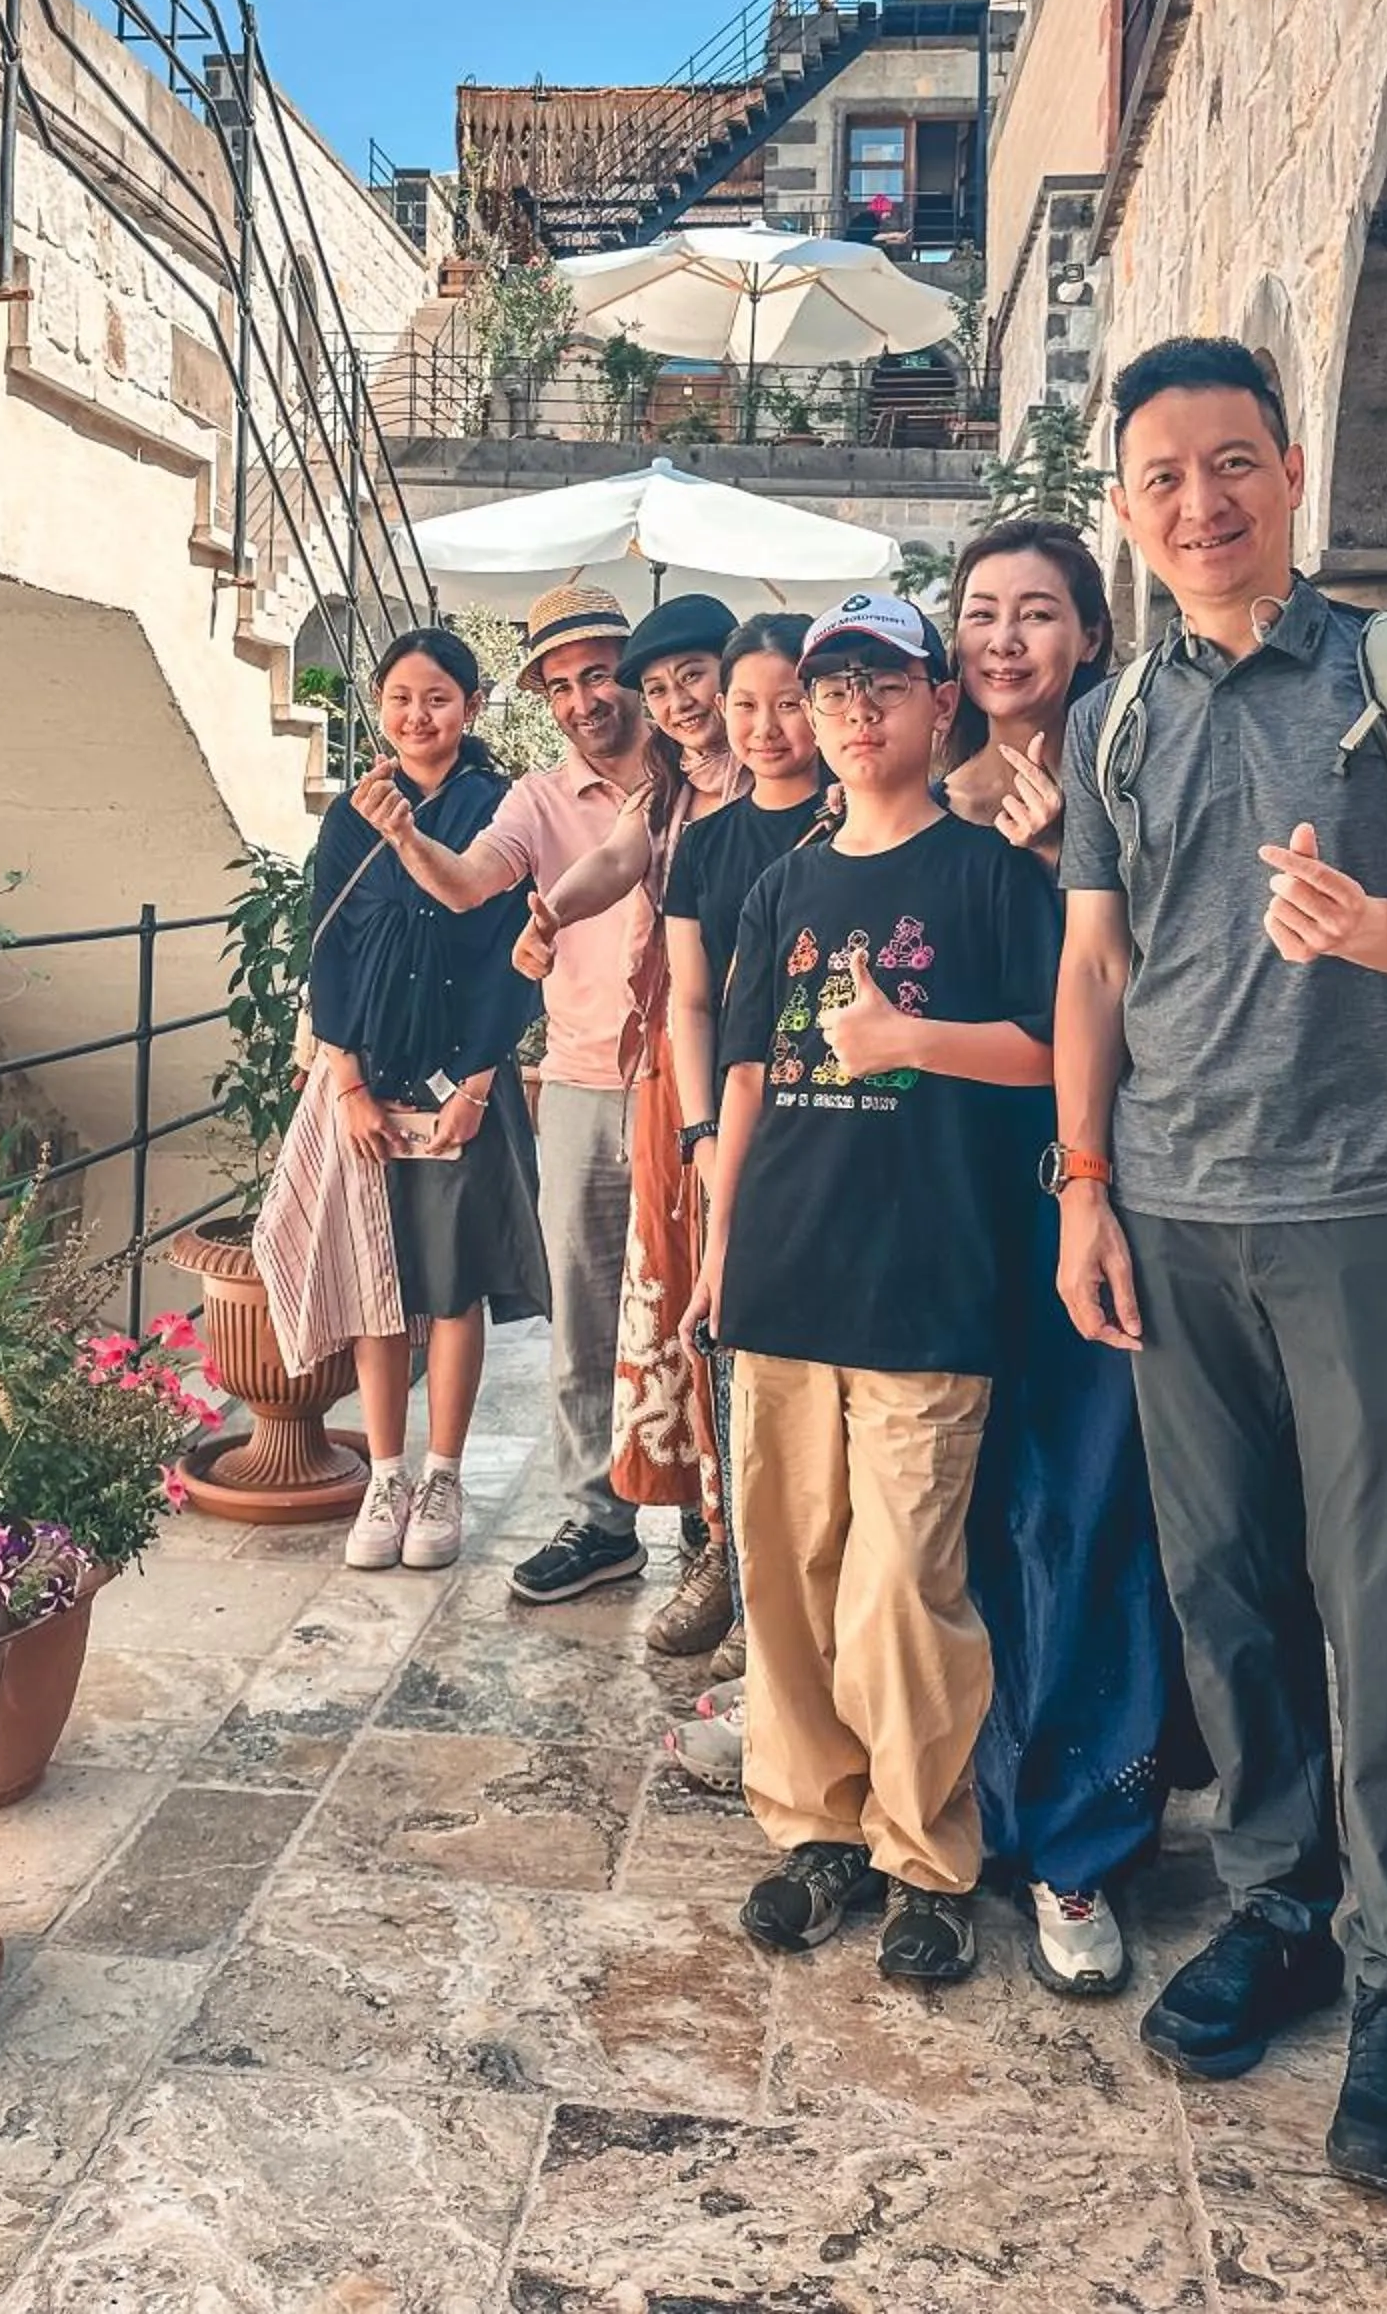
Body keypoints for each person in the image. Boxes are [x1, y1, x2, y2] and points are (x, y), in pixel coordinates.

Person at [1054, 335, 1387, 2196]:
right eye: (1163, 478)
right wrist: (1084, 1186)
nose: (1200, 504)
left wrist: (1370, 921)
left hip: (1365, 1206)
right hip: (1169, 1209)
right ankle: (1278, 1903)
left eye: (1231, 464)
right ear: (1128, 507)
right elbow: (1096, 968)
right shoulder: (1117, 719)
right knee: (1225, 1588)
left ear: (1293, 469)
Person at [683, 590, 1059, 1985]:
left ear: (934, 706)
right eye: (829, 688)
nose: (849, 710)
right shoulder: (783, 881)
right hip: (783, 1268)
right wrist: (719, 1250)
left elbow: (1052, 1049)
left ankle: (922, 1856)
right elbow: (740, 1074)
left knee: (906, 1584)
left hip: (928, 1283)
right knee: (785, 1571)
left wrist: (911, 1036)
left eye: (879, 686)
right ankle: (811, 1831)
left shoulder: (988, 878)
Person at [938, 520, 1177, 1999]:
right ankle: (946, 1790)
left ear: (1090, 631)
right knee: (945, 1500)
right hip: (941, 1195)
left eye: (1038, 612)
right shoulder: (907, 782)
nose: (1006, 639)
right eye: (980, 613)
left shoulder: (1129, 774)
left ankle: (1079, 1841)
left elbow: (1184, 986)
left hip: (1089, 1182)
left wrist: (1067, 856)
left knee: (1086, 1504)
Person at [349, 583, 654, 1604]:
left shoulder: (702, 779)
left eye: (599, 673)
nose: (581, 699)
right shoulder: (533, 801)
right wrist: (401, 837)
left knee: (703, 1305)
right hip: (575, 1078)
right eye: (560, 685)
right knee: (584, 1316)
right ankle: (598, 1519)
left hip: (689, 1083)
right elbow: (471, 884)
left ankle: (711, 1519)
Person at [259, 629, 547, 1573]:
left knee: (451, 1281)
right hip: (371, 1075)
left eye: (438, 698)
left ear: (469, 708)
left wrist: (477, 1084)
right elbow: (327, 949)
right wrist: (345, 1083)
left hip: (465, 1074)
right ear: (376, 706)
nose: (418, 716)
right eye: (399, 698)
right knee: (378, 1285)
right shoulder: (353, 811)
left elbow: (516, 951)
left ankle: (444, 1473)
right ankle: (385, 1474)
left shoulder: (499, 807)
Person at [511, 593, 744, 1658]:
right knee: (620, 1310)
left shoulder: (793, 781)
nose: (596, 698)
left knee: (721, 1311)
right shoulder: (666, 797)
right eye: (656, 685)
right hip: (642, 1079)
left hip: (744, 1083)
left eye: (657, 678)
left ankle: (729, 1530)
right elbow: (596, 869)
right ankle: (627, 1522)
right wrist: (543, 911)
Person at [655, 612, 831, 1785]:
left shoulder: (859, 816)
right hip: (735, 1129)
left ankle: (807, 1638)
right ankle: (730, 1551)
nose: (765, 728)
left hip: (848, 1126)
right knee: (730, 1352)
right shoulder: (707, 844)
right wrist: (703, 1134)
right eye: (747, 707)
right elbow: (689, 1003)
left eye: (787, 702)